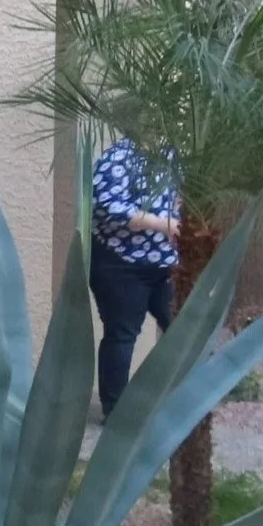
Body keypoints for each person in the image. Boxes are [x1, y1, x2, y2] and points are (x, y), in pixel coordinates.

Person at [90, 136, 180, 420]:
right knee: (122, 334)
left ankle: (185, 402)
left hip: (166, 265)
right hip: (121, 264)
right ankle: (114, 413)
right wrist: (163, 224)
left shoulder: (170, 154)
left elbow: (179, 195)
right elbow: (106, 206)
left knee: (182, 327)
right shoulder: (117, 158)